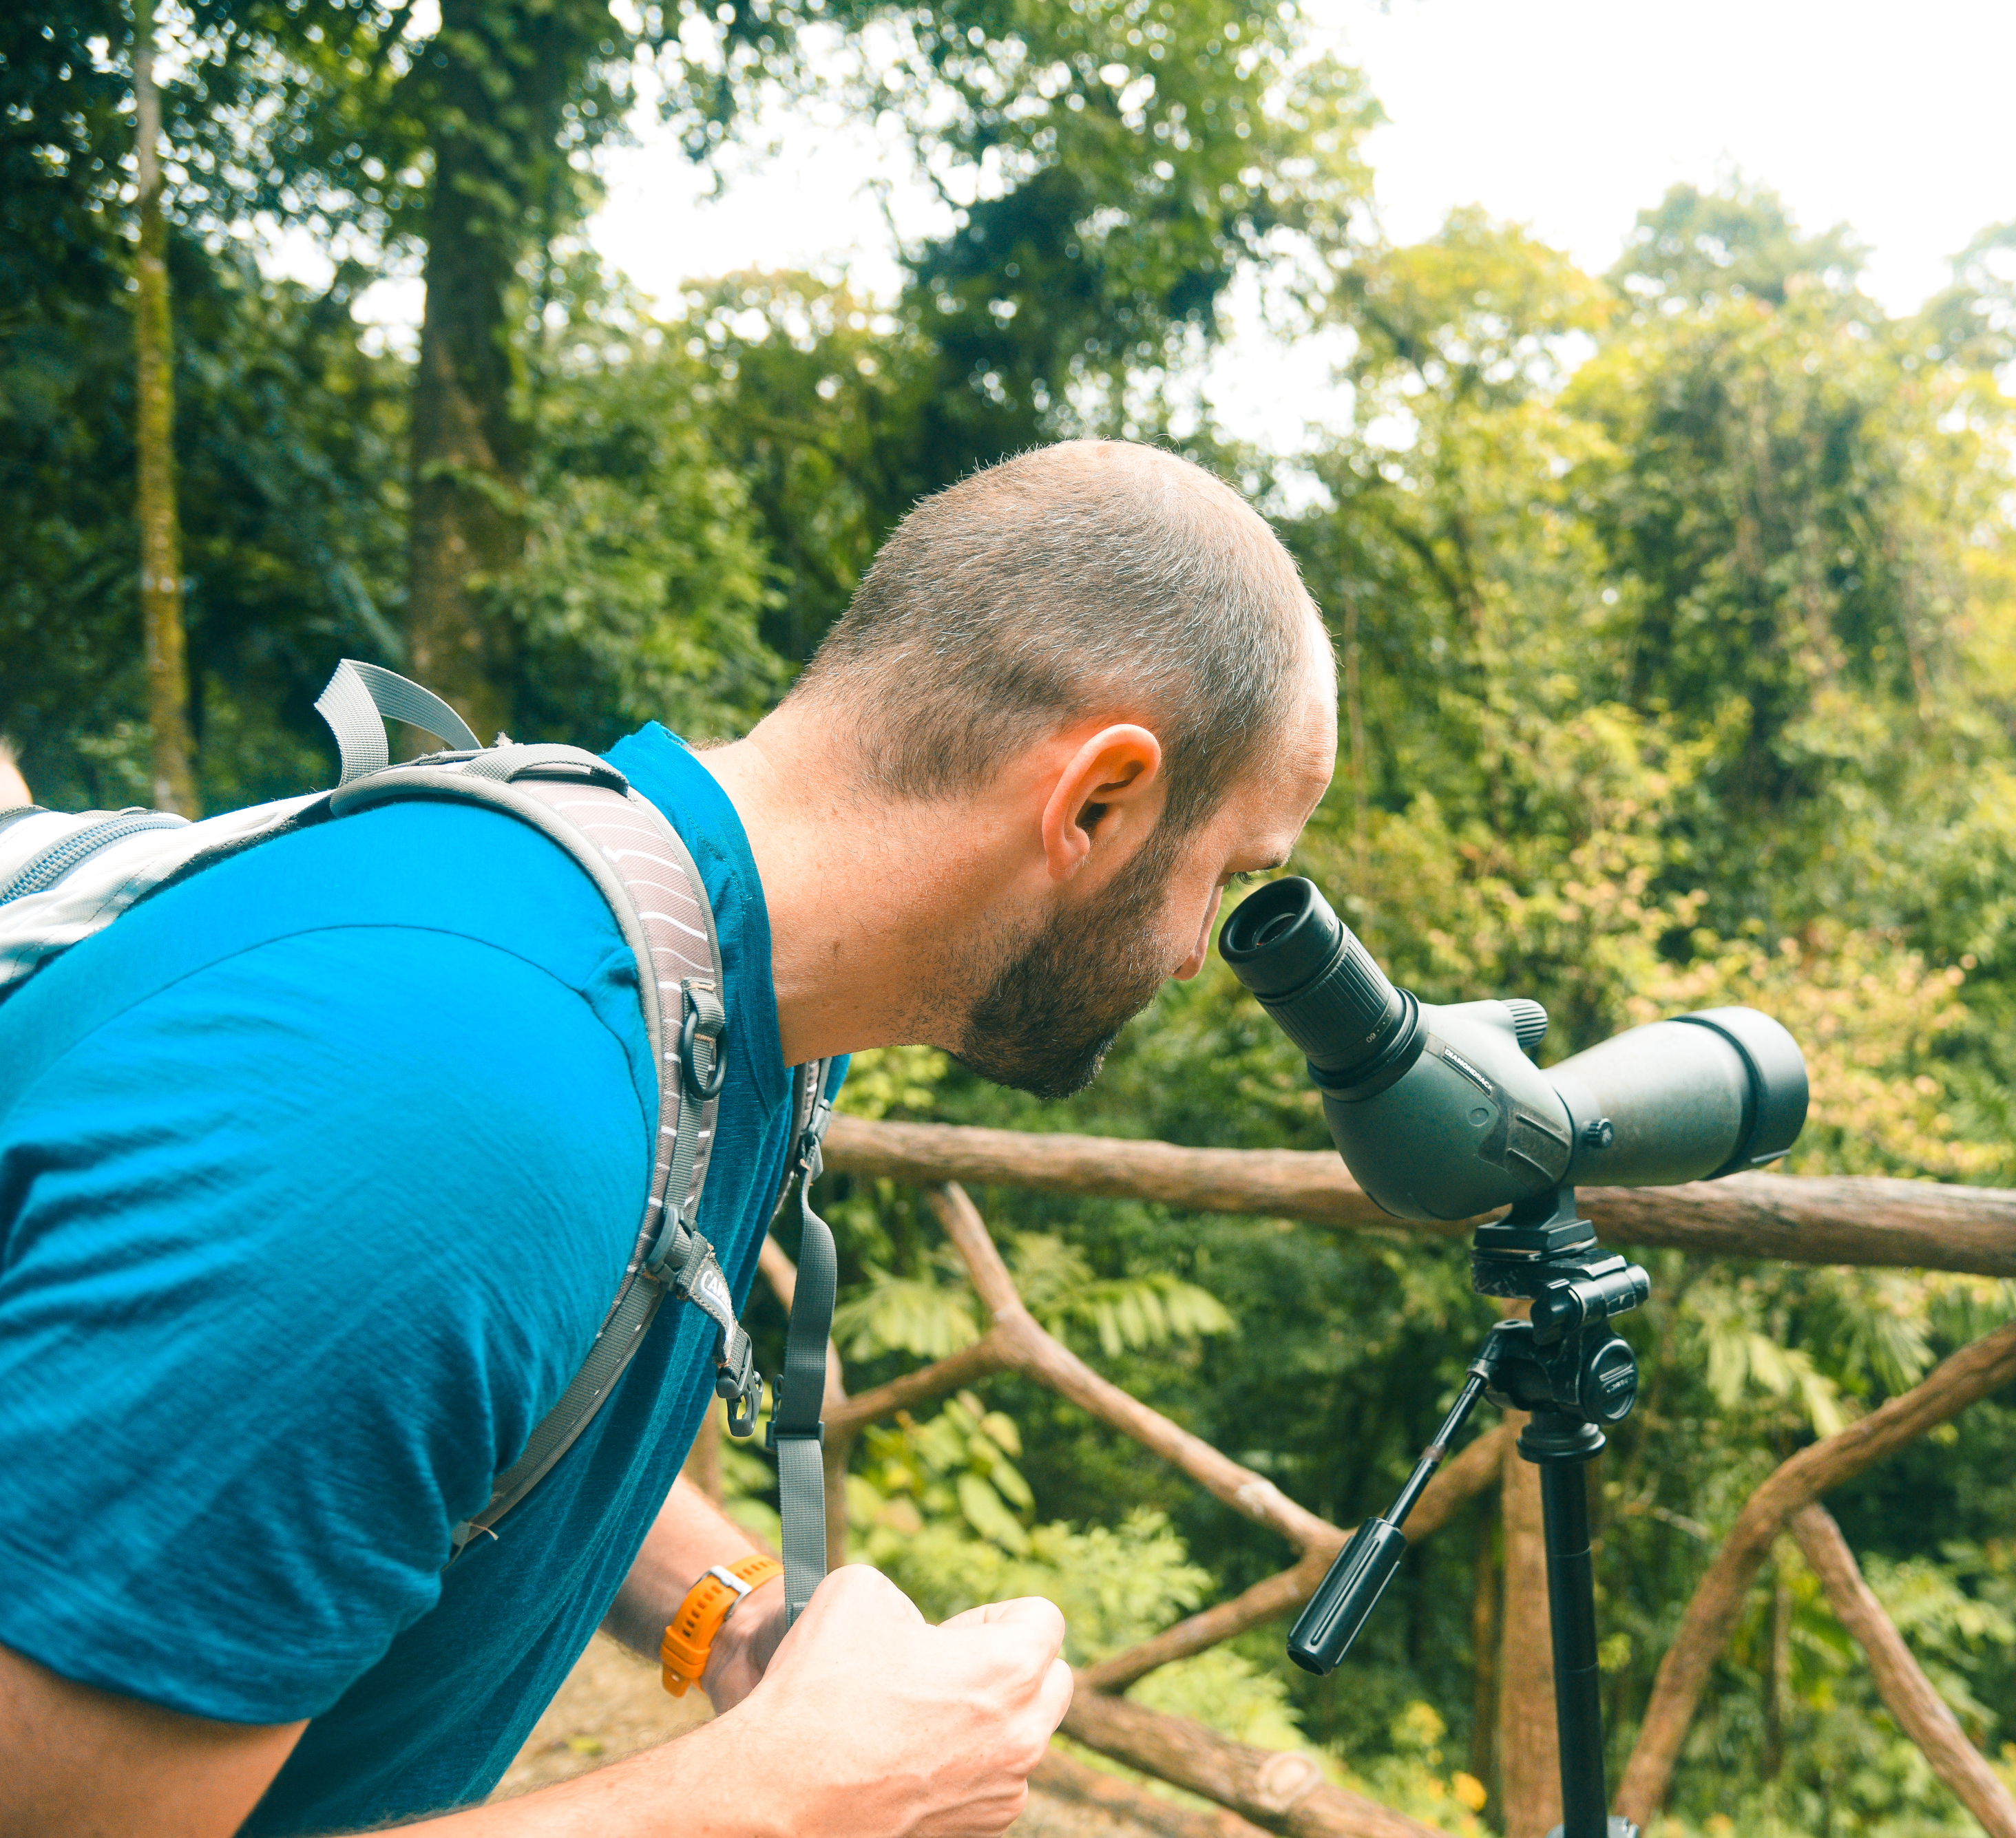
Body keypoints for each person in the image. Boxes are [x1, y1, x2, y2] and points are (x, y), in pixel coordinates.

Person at [0, 441, 1341, 1837]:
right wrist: (786, 1798)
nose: (1197, 957)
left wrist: (736, 1621)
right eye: (1231, 874)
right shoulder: (464, 1108)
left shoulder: (698, 972)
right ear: (1099, 801)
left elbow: (426, 1408)